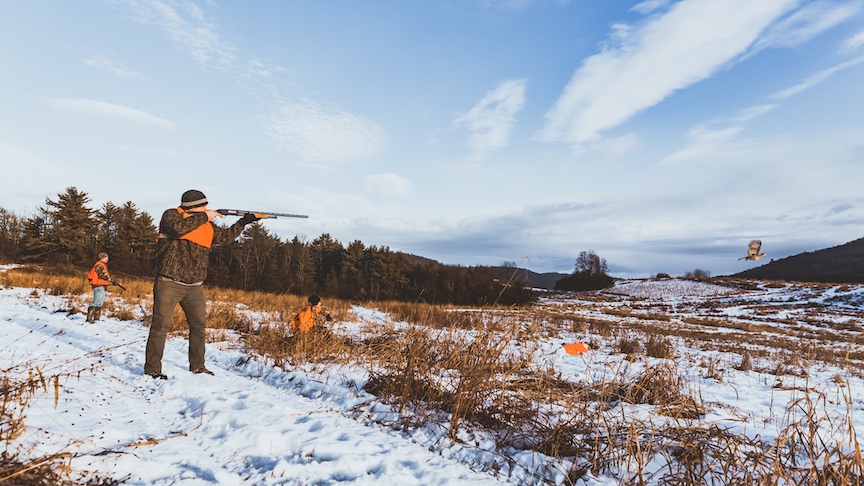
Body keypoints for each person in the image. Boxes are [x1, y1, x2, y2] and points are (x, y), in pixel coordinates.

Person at [144, 189, 259, 380]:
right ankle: (152, 369)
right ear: (194, 207)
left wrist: (243, 223)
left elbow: (224, 237)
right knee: (160, 327)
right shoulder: (171, 215)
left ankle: (198, 366)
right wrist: (205, 216)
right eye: (203, 206)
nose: (207, 208)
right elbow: (179, 228)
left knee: (199, 326)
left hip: (195, 286)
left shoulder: (206, 225)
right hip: (169, 282)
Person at [87, 252, 111, 323]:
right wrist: (107, 278)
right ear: (102, 258)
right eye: (106, 257)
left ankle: (96, 319)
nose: (107, 259)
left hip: (101, 285)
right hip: (98, 285)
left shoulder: (102, 265)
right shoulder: (99, 265)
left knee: (100, 302)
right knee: (96, 301)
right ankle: (89, 319)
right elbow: (100, 274)